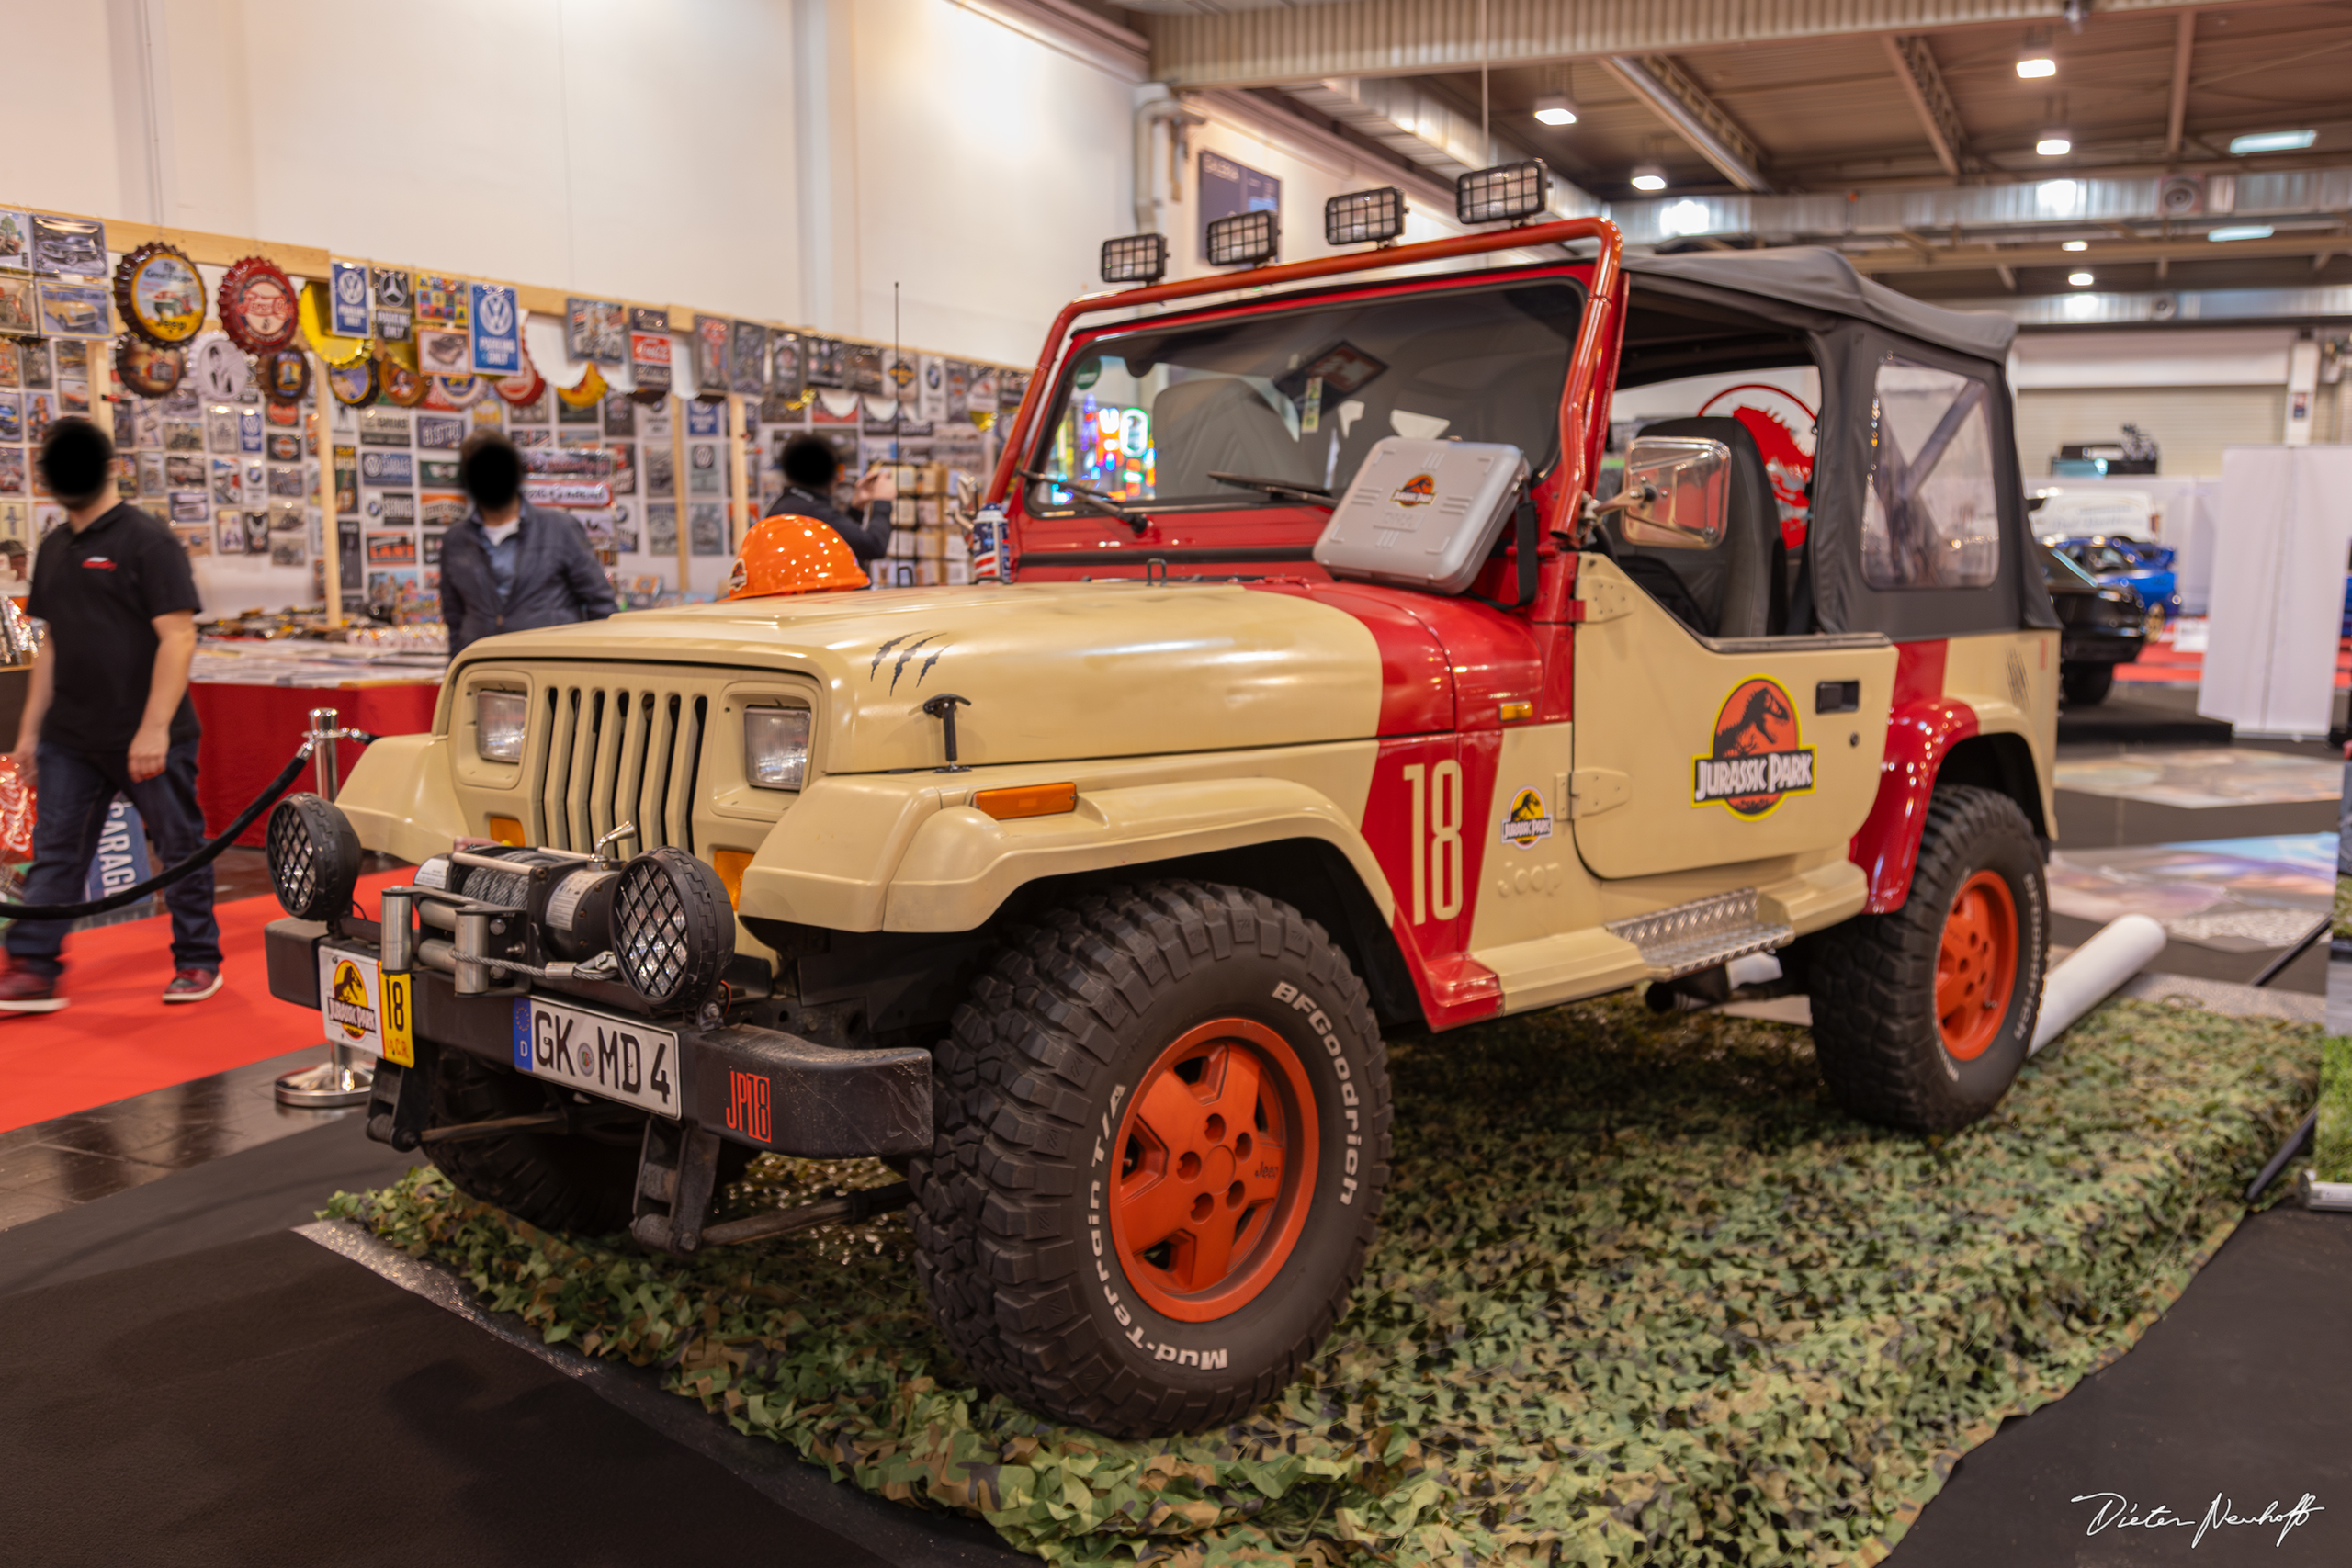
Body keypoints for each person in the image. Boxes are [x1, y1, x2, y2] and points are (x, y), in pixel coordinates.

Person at [1, 417, 219, 1012]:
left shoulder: (147, 540)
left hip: (150, 736)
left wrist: (152, 727)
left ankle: (198, 960)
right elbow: (50, 644)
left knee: (180, 847)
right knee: (58, 852)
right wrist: (29, 732)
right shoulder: (51, 545)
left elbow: (178, 637)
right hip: (70, 738)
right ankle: (34, 967)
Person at [438, 431, 616, 656]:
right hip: (485, 673)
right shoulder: (455, 540)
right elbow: (454, 617)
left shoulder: (559, 528)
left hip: (551, 671)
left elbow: (601, 605)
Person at [767, 434, 896, 572]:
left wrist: (856, 507)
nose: (839, 479)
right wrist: (882, 501)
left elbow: (840, 540)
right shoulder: (812, 511)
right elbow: (873, 547)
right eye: (838, 471)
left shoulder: (792, 504)